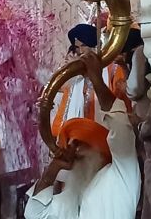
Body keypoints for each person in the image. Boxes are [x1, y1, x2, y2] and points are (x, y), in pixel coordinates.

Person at [25, 52, 141, 219]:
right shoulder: (71, 192)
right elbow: (34, 215)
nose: (73, 148)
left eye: (80, 143)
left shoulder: (121, 173)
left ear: (101, 148)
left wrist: (97, 80)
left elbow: (120, 123)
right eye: (71, 144)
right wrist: (52, 171)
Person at [51, 24, 130, 135]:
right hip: (78, 141)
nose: (80, 51)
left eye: (83, 45)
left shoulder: (113, 69)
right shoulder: (76, 78)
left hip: (106, 137)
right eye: (77, 47)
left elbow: (121, 104)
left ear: (95, 46)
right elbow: (59, 125)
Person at [122, 28, 151, 219]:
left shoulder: (139, 52)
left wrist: (124, 86)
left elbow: (135, 88)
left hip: (149, 125)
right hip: (147, 126)